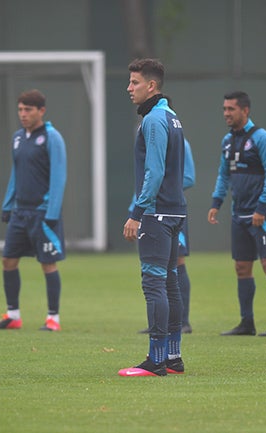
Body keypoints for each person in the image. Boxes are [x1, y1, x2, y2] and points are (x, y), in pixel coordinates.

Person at [118, 58, 187, 377]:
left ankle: (156, 361)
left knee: (154, 283)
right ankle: (173, 357)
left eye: (134, 82)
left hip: (157, 213)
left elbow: (155, 170)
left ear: (152, 86)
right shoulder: (172, 118)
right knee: (170, 284)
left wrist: (137, 212)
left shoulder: (154, 120)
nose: (129, 88)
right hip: (175, 211)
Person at [208, 91, 266, 337]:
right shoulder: (227, 141)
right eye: (224, 109)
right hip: (238, 214)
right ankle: (247, 323)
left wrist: (261, 208)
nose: (226, 114)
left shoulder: (262, 138)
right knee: (242, 267)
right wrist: (216, 202)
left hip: (261, 215)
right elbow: (224, 174)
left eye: (231, 109)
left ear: (245, 111)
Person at [0, 89, 67, 332]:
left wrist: (52, 212)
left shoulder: (52, 137)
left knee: (48, 264)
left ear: (41, 111)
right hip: (20, 212)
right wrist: (7, 204)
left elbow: (59, 176)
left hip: (42, 213)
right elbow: (16, 173)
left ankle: (53, 317)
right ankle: (13, 315)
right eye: (20, 109)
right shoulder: (18, 138)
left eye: (28, 110)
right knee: (8, 260)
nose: (23, 114)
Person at [136, 134, 196, 334]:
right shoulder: (148, 141)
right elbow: (145, 179)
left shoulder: (180, 142)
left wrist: (161, 190)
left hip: (169, 210)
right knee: (156, 271)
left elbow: (188, 177)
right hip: (150, 211)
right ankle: (160, 323)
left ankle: (183, 321)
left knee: (177, 264)